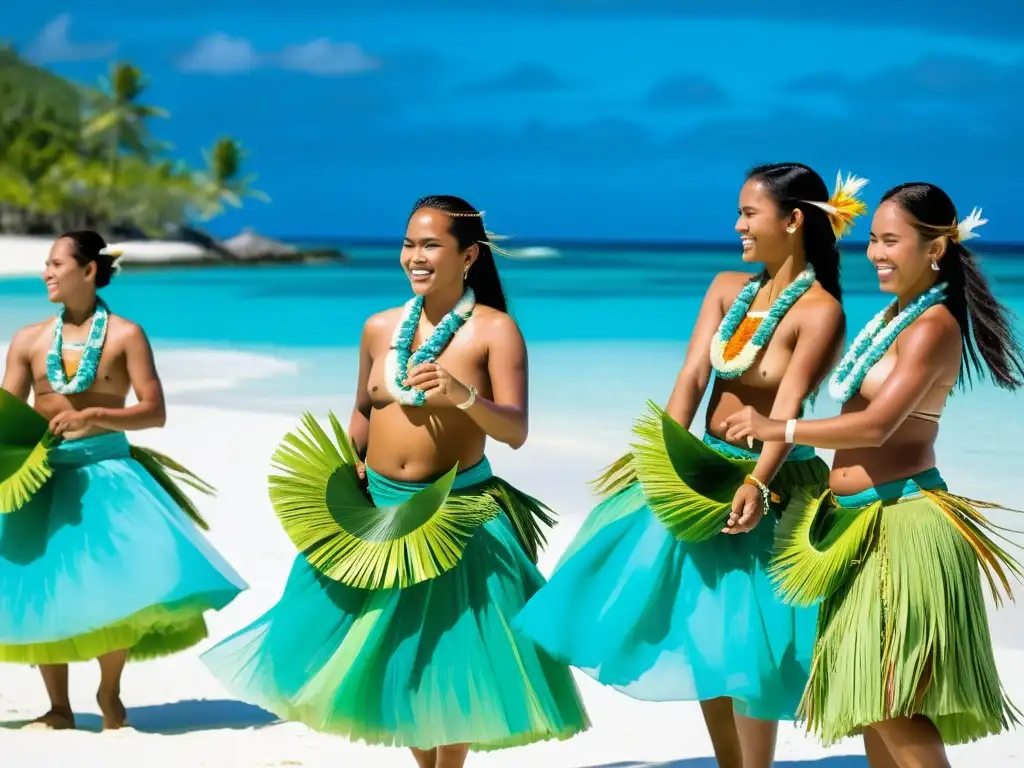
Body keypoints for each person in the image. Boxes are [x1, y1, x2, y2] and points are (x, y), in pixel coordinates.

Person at [201, 195, 589, 768]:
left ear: (469, 256)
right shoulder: (379, 328)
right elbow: (364, 407)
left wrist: (464, 397)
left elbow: (516, 430)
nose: (415, 256)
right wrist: (351, 466)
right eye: (409, 243)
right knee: (392, 655)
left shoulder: (494, 332)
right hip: (378, 512)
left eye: (431, 245)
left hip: (456, 515)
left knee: (448, 656)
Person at [516, 163, 867, 768]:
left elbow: (788, 410)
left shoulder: (820, 310)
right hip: (703, 470)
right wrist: (663, 455)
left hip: (774, 484)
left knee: (750, 648)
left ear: (794, 220)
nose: (738, 226)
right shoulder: (728, 287)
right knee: (705, 630)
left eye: (749, 214)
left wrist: (757, 482)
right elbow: (693, 376)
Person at [722, 182, 1024, 767]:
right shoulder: (894, 317)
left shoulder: (933, 327)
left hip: (903, 522)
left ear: (935, 248)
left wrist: (777, 428)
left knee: (891, 699)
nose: (876, 253)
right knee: (869, 697)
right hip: (860, 524)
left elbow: (877, 427)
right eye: (873, 240)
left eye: (892, 241)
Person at [0, 230, 247, 730]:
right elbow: (6, 413)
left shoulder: (126, 335)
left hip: (106, 472)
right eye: (45, 264)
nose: (46, 272)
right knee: (47, 586)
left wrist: (97, 416)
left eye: (55, 263)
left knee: (111, 585)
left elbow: (154, 411)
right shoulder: (28, 339)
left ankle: (109, 694)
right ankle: (58, 707)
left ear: (88, 271)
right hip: (42, 474)